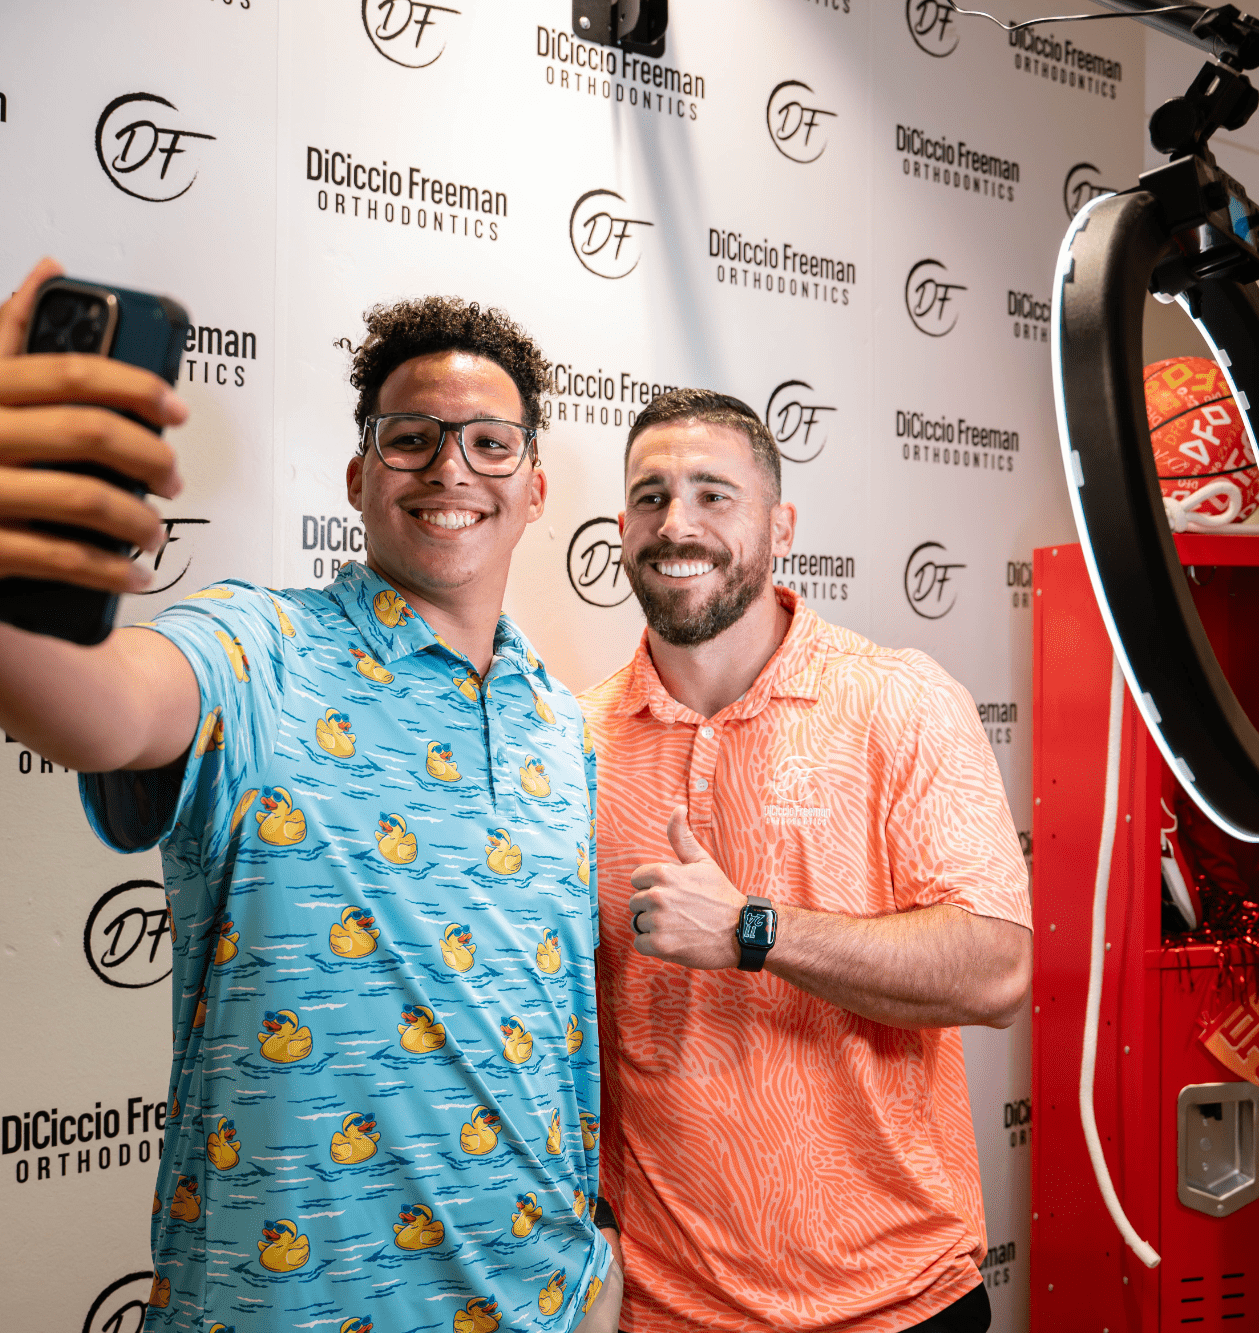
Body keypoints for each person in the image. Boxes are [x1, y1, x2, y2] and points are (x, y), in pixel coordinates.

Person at [0, 259, 621, 1331]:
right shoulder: (258, 652)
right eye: (410, 435)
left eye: (489, 441)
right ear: (359, 474)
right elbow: (94, 703)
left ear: (534, 488)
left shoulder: (562, 725)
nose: (450, 467)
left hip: (547, 1303)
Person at [580, 388, 1033, 1332]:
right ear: (621, 526)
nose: (678, 523)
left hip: (899, 1301)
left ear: (780, 525)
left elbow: (996, 971)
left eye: (714, 494)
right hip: (668, 1311)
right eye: (652, 496)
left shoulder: (897, 702)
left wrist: (755, 929)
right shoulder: (575, 739)